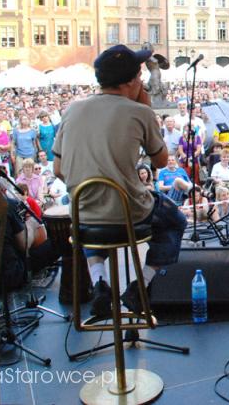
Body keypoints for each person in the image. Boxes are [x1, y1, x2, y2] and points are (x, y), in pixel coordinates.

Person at [53, 44, 188, 318]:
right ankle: (141, 286)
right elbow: (161, 162)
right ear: (132, 81)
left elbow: (58, 169)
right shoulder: (139, 112)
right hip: (128, 213)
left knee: (94, 215)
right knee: (175, 221)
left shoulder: (72, 110)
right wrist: (147, 110)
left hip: (82, 215)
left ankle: (100, 282)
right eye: (140, 76)